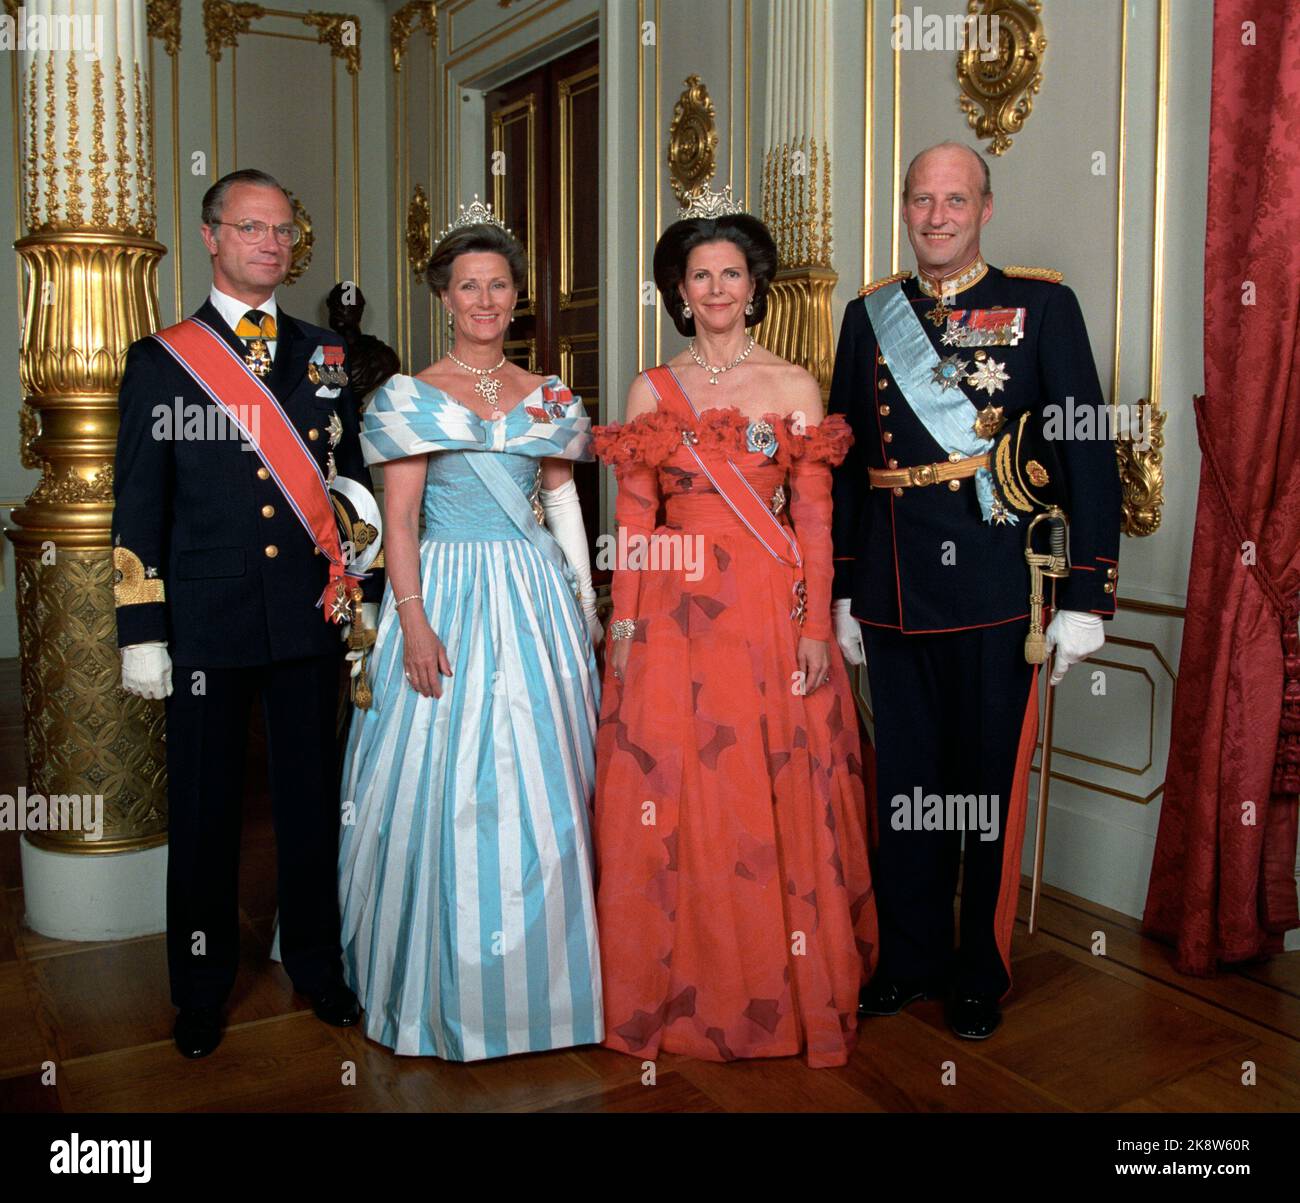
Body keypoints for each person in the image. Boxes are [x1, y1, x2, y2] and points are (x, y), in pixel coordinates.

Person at [830, 142, 1122, 1039]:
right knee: (907, 787)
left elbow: (1087, 452)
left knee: (983, 785)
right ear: (906, 208)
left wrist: (1087, 596)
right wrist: (845, 586)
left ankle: (977, 969)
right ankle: (910, 958)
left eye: (954, 200)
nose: (936, 216)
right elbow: (847, 465)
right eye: (922, 199)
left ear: (985, 208)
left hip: (999, 590)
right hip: (893, 589)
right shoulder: (868, 313)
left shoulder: (1044, 306)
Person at [592, 187, 878, 1069]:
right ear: (678, 291)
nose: (716, 288)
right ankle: (683, 988)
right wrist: (627, 628)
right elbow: (635, 519)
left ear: (754, 287)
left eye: (732, 274)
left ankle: (783, 988)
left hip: (766, 603)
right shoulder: (651, 385)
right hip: (673, 609)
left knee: (767, 786)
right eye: (699, 275)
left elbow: (816, 520)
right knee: (678, 786)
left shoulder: (793, 382)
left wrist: (815, 630)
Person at [112, 168, 383, 1059]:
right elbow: (138, 504)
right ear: (211, 237)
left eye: (283, 231)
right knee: (202, 810)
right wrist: (142, 631)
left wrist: (363, 595)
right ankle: (198, 986)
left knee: (312, 801)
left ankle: (316, 966)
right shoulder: (162, 359)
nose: (272, 243)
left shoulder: (325, 355)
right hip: (205, 619)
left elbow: (348, 487)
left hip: (308, 613)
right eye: (252, 227)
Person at [338, 199, 604, 1060]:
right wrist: (411, 623)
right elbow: (400, 524)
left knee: (550, 777)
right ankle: (440, 987)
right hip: (443, 592)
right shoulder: (409, 395)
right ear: (444, 299)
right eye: (468, 286)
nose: (484, 300)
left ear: (517, 297)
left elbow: (561, 496)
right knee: (447, 785)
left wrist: (587, 602)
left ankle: (548, 990)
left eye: (498, 285)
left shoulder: (551, 394)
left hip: (533, 596)